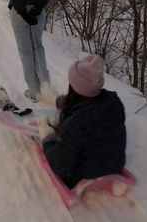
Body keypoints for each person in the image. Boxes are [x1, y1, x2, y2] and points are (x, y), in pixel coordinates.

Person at [38, 55, 126, 188]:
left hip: (83, 173)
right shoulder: (114, 104)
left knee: (56, 139)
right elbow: (85, 102)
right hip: (115, 164)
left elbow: (61, 166)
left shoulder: (75, 123)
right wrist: (57, 100)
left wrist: (47, 138)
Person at [1, 0, 55, 103]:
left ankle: (33, 90)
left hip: (19, 13)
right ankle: (46, 87)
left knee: (25, 50)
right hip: (38, 12)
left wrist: (24, 12)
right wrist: (37, 9)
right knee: (37, 46)